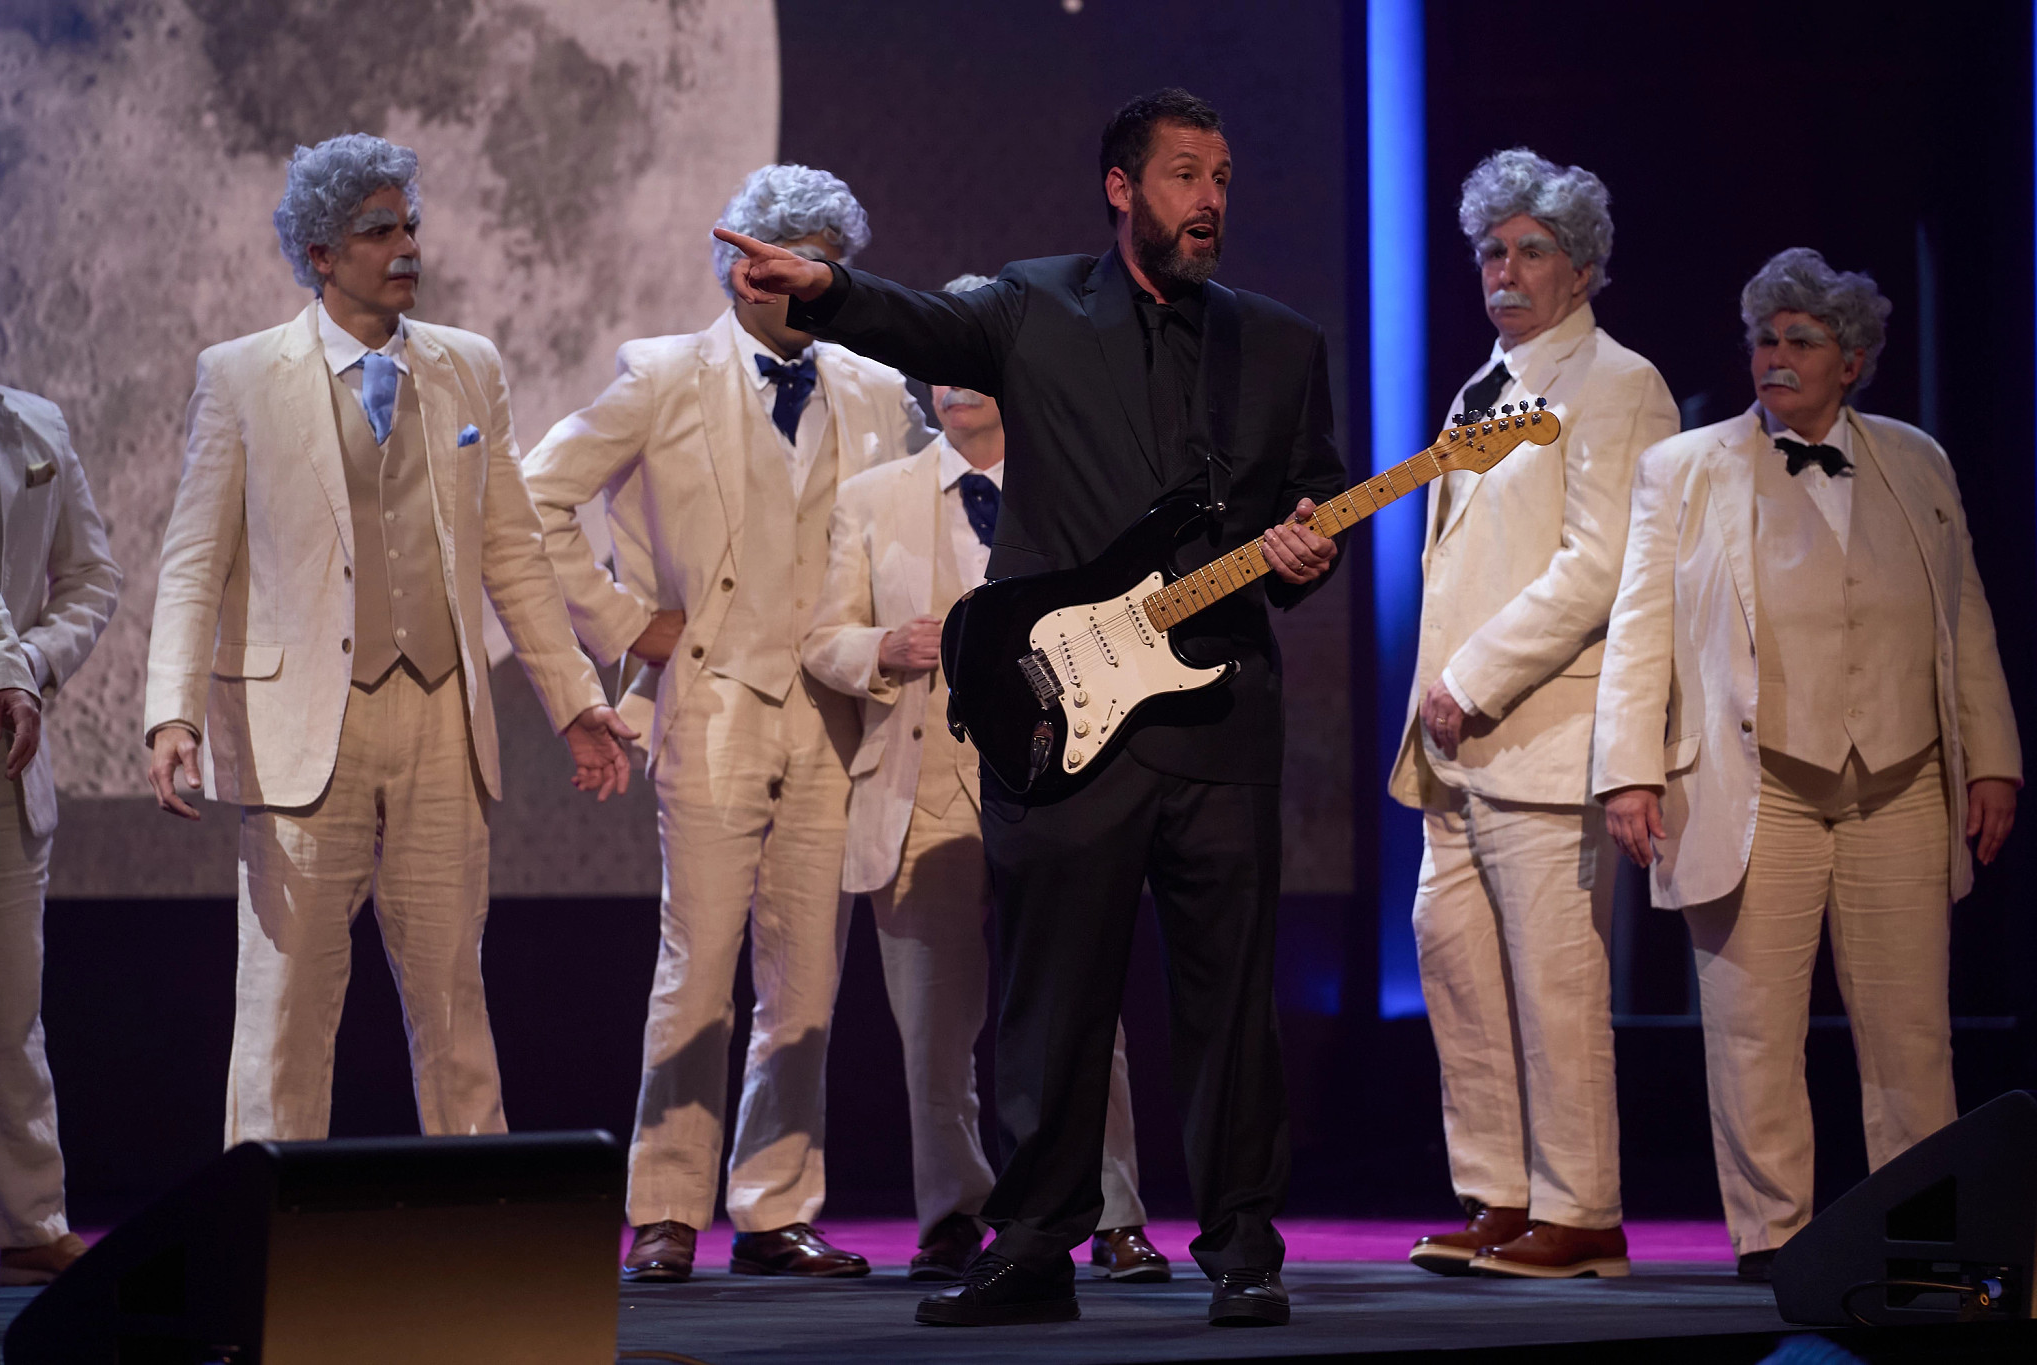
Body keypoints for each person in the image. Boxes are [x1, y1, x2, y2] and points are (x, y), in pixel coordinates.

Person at [717, 88, 1344, 1327]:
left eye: (1220, 177)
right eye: (1182, 175)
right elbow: (919, 322)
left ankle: (1241, 1248)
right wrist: (824, 288)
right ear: (1121, 188)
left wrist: (1305, 552)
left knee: (1228, 1000)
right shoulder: (1033, 304)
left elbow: (1311, 497)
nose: (1208, 200)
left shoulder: (1276, 343)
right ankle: (1035, 1246)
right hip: (1064, 722)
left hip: (1218, 717)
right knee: (1051, 999)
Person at [143, 134, 633, 1147]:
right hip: (300, 726)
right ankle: (267, 1213)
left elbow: (511, 550)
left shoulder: (468, 366)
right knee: (286, 1002)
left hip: (440, 719)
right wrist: (172, 713)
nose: (406, 246)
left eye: (410, 225)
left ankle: (475, 1212)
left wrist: (575, 699)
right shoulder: (240, 377)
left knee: (453, 991)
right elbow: (193, 559)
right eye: (378, 231)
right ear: (321, 254)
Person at [521, 165, 928, 1284]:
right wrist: (624, 622)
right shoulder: (662, 374)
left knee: (806, 976)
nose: (803, 282)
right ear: (739, 268)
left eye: (823, 264)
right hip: (711, 702)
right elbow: (533, 496)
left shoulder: (872, 386)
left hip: (832, 710)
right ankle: (664, 1206)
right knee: (696, 961)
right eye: (784, 261)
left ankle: (775, 1206)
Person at [1593, 248, 2021, 1281]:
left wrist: (1993, 760)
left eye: (1801, 340)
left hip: (1899, 782)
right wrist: (1628, 768)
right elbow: (1638, 624)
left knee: (1910, 1032)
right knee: (1751, 1028)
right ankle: (1772, 1235)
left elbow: (1962, 618)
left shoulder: (1916, 459)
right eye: (1763, 338)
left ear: (1852, 360)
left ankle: (1921, 1233)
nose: (1775, 356)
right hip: (1758, 784)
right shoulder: (1684, 466)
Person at [801, 276, 1171, 1285]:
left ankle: (1113, 1212)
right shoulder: (873, 496)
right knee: (933, 1028)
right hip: (919, 783)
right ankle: (955, 1213)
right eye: (941, 361)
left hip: (1058, 775)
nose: (954, 381)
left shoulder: (1074, 485)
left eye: (973, 360)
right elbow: (823, 638)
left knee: (1079, 1009)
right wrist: (885, 645)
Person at [1392, 150, 1678, 1280]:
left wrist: (1473, 677)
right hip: (1452, 747)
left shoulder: (1617, 383)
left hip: (1540, 732)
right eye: (1490, 252)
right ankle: (1499, 1196)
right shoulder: (1482, 385)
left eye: (1530, 252)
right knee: (1458, 972)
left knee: (1556, 986)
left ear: (1583, 268)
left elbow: (1599, 563)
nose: (1503, 272)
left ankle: (1581, 1211)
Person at [0, 383, 120, 1287]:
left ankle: (32, 1223)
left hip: (4, 760)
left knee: (10, 1009)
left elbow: (92, 576)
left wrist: (32, 661)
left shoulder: (35, 423)